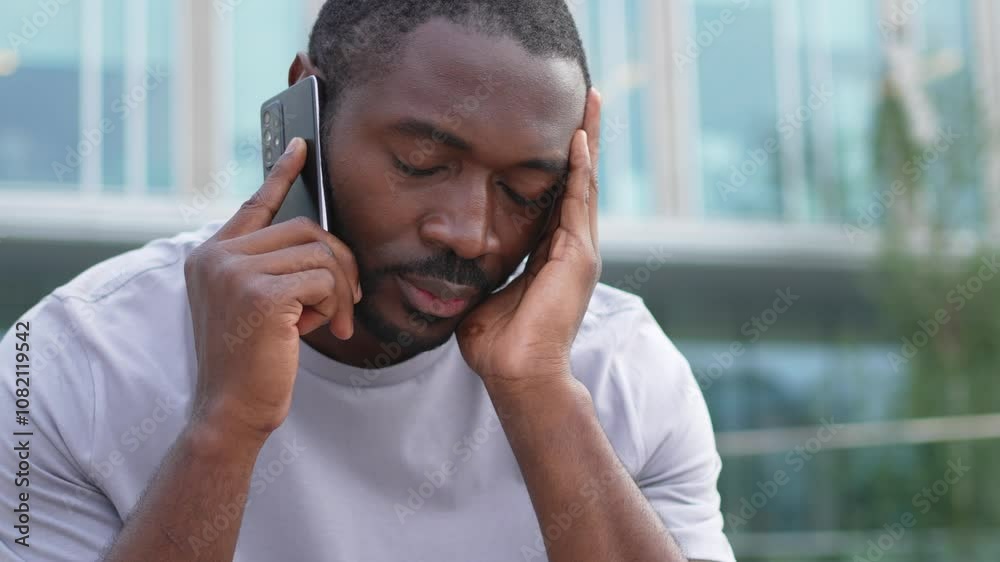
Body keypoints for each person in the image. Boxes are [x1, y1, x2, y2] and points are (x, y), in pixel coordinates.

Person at [0, 1, 735, 560]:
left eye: (525, 192)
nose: (469, 231)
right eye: (420, 163)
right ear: (304, 109)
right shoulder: (68, 361)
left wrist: (540, 393)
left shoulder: (626, 376)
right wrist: (224, 427)